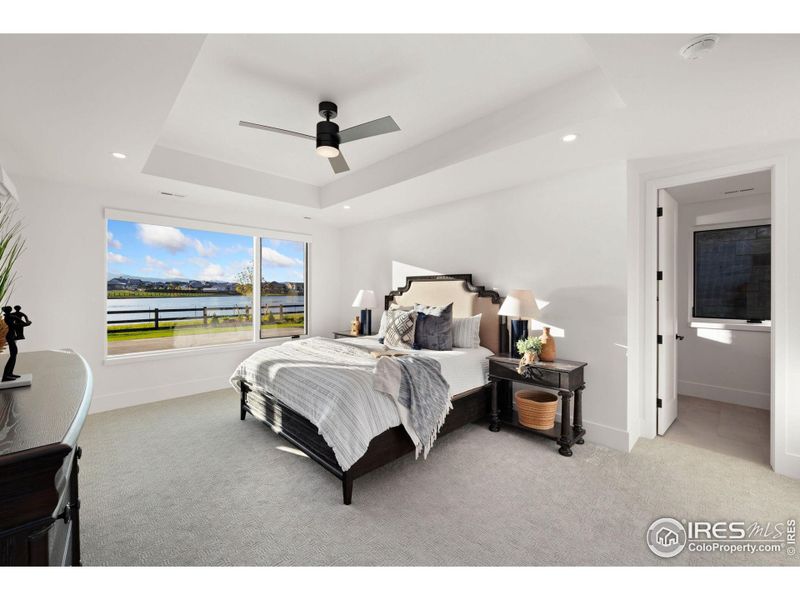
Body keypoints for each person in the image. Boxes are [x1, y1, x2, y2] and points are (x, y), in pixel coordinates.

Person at [2, 306, 20, 381]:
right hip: (10, 337)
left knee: (14, 354)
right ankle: (5, 376)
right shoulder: (8, 317)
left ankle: (10, 373)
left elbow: (17, 319)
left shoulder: (10, 316)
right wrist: (25, 323)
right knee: (13, 354)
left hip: (12, 336)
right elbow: (14, 325)